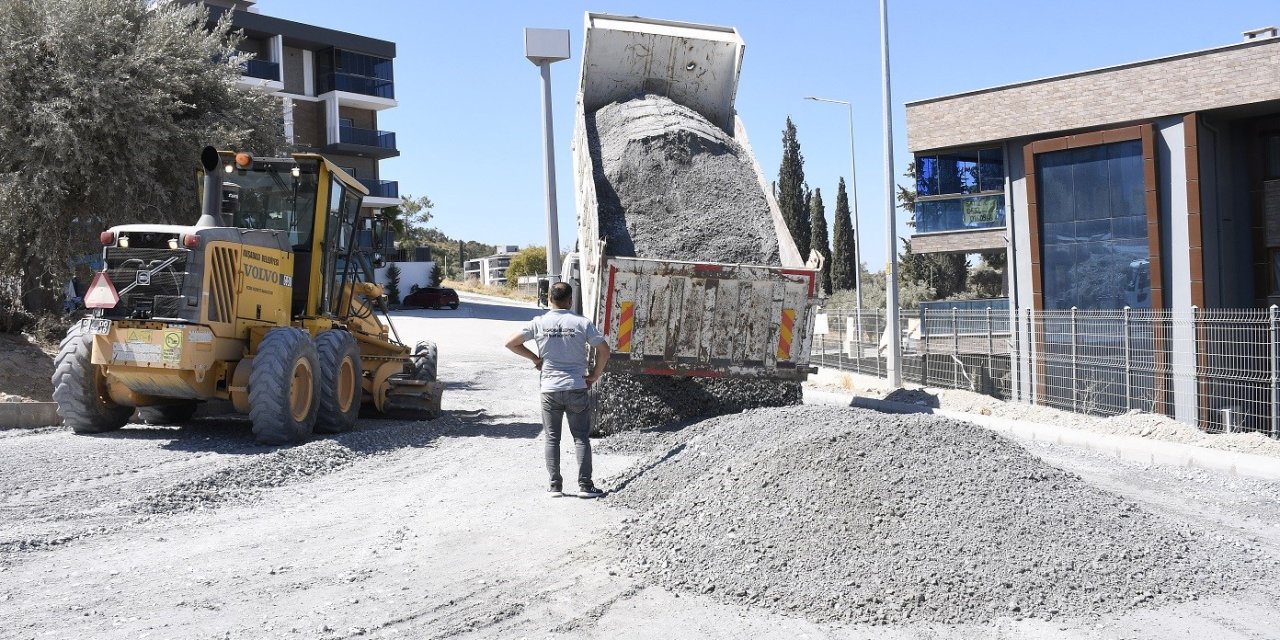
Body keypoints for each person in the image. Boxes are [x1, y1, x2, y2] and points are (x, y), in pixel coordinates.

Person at [505, 281, 610, 498]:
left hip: (550, 389)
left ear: (549, 299)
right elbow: (604, 349)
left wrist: (535, 358)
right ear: (570, 300)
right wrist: (595, 375)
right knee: (581, 438)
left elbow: (511, 343)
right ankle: (585, 486)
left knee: (552, 438)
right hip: (576, 387)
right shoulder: (581, 323)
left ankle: (555, 486)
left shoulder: (538, 323)